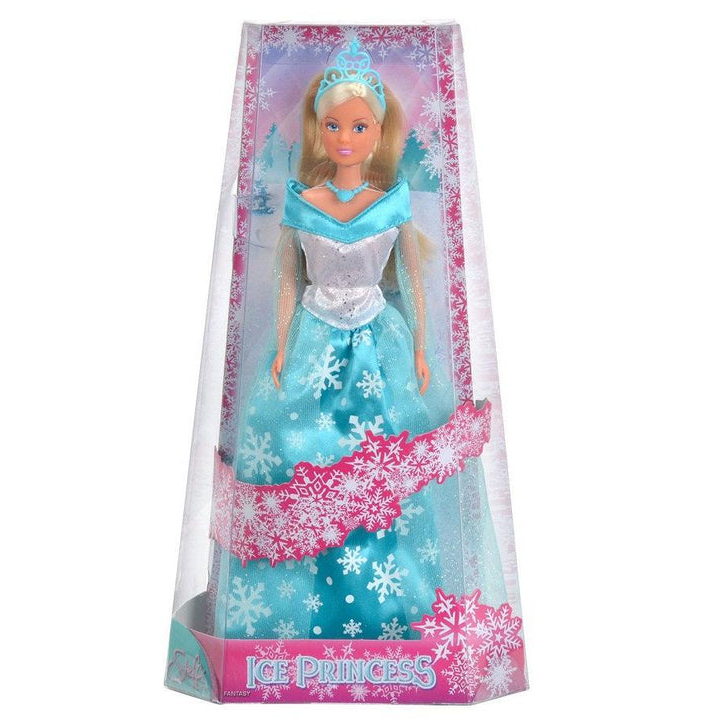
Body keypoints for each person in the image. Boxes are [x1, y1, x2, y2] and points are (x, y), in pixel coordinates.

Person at [207, 39, 505, 641]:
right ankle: (289, 612)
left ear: (378, 133)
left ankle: (394, 615)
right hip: (312, 340)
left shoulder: (391, 204)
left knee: (387, 454)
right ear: (320, 130)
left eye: (359, 126)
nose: (345, 138)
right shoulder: (303, 203)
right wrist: (284, 346)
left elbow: (411, 281)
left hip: (379, 344)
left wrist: (419, 348)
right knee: (301, 451)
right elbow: (287, 277)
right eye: (334, 125)